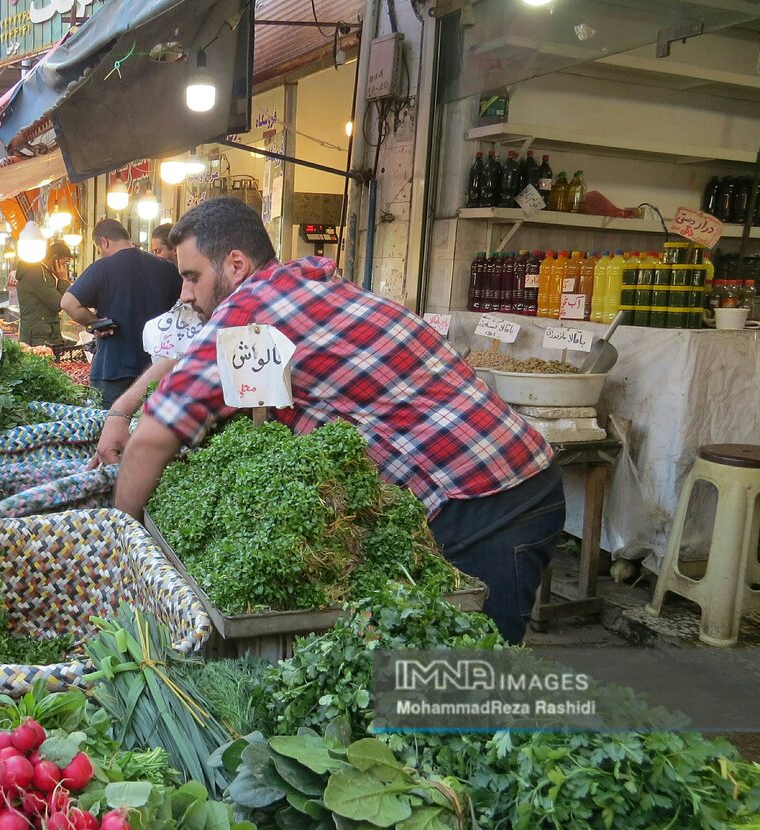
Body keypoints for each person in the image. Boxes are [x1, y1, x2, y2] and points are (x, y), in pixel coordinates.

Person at [110, 197, 563, 644]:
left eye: (191, 277)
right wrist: (120, 410)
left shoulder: (250, 308)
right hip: (484, 482)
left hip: (495, 499)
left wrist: (117, 549)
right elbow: (191, 362)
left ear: (235, 264)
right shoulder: (296, 285)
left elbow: (153, 438)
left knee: (470, 680)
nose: (185, 294)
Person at [61, 218, 181, 408]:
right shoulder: (167, 268)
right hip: (156, 369)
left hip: (112, 370)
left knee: (109, 428)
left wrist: (94, 323)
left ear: (104, 242)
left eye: (99, 249)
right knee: (148, 433)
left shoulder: (102, 268)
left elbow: (68, 303)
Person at [16, 241, 72, 346]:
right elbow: (58, 304)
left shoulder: (40, 272)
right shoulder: (39, 273)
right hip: (40, 337)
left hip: (38, 333)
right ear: (55, 259)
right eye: (64, 263)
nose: (65, 268)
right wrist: (63, 280)